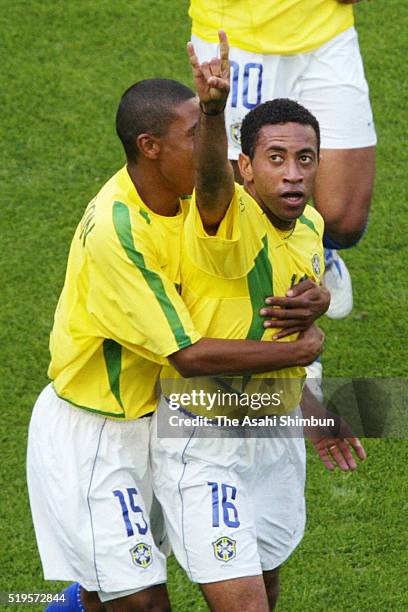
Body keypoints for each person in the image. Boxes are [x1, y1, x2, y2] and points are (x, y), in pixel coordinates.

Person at [27, 78, 327, 612]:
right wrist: (300, 351)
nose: (218, 153)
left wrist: (315, 300)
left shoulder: (189, 200)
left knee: (117, 586)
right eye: (197, 134)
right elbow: (186, 356)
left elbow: (255, 277)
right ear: (151, 147)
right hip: (103, 427)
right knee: (141, 600)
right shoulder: (118, 233)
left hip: (173, 413)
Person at [150, 32, 366, 612]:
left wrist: (314, 413)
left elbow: (283, 340)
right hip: (202, 434)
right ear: (245, 168)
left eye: (305, 159)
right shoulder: (227, 216)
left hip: (271, 433)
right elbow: (211, 182)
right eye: (275, 159)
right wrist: (215, 113)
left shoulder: (313, 228)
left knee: (266, 581)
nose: (293, 174)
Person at [188, 0, 377, 320]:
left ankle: (319, 248)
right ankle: (290, 341)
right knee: (248, 212)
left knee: (345, 220)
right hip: (238, 37)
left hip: (327, 34)